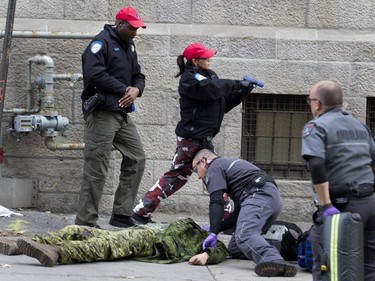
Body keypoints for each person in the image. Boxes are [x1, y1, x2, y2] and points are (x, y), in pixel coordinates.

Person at [132, 42, 255, 224]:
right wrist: (237, 84)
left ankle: (141, 212)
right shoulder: (190, 79)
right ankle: (226, 219)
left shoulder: (209, 76)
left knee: (183, 176)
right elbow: (211, 89)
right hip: (192, 138)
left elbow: (220, 103)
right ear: (195, 61)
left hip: (203, 138)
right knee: (204, 174)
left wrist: (241, 93)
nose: (209, 60)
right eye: (205, 58)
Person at [75, 6, 147, 228]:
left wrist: (136, 89)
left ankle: (121, 214)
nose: (135, 32)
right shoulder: (101, 43)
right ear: (119, 24)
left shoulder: (129, 46)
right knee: (97, 165)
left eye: (137, 28)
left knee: (137, 157)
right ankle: (86, 223)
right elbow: (94, 74)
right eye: (132, 28)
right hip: (103, 113)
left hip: (121, 113)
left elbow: (139, 75)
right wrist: (124, 89)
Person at [301, 80, 375, 281]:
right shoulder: (359, 125)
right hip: (370, 203)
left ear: (317, 103)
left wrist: (326, 205)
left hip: (342, 205)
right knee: (370, 266)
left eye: (310, 100)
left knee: (329, 264)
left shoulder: (317, 126)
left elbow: (316, 164)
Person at [191, 149, 298, 277]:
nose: (198, 176)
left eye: (195, 169)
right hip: (269, 197)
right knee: (236, 247)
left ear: (203, 161)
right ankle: (288, 251)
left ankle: (274, 260)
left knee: (244, 234)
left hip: (259, 195)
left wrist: (214, 232)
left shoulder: (214, 166)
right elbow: (238, 213)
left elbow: (216, 201)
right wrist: (218, 228)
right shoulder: (230, 170)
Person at [0, 218, 227, 267]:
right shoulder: (197, 225)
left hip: (154, 242)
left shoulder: (214, 241)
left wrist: (207, 254)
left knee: (105, 246)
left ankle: (57, 252)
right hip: (140, 231)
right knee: (75, 229)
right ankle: (19, 243)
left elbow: (220, 252)